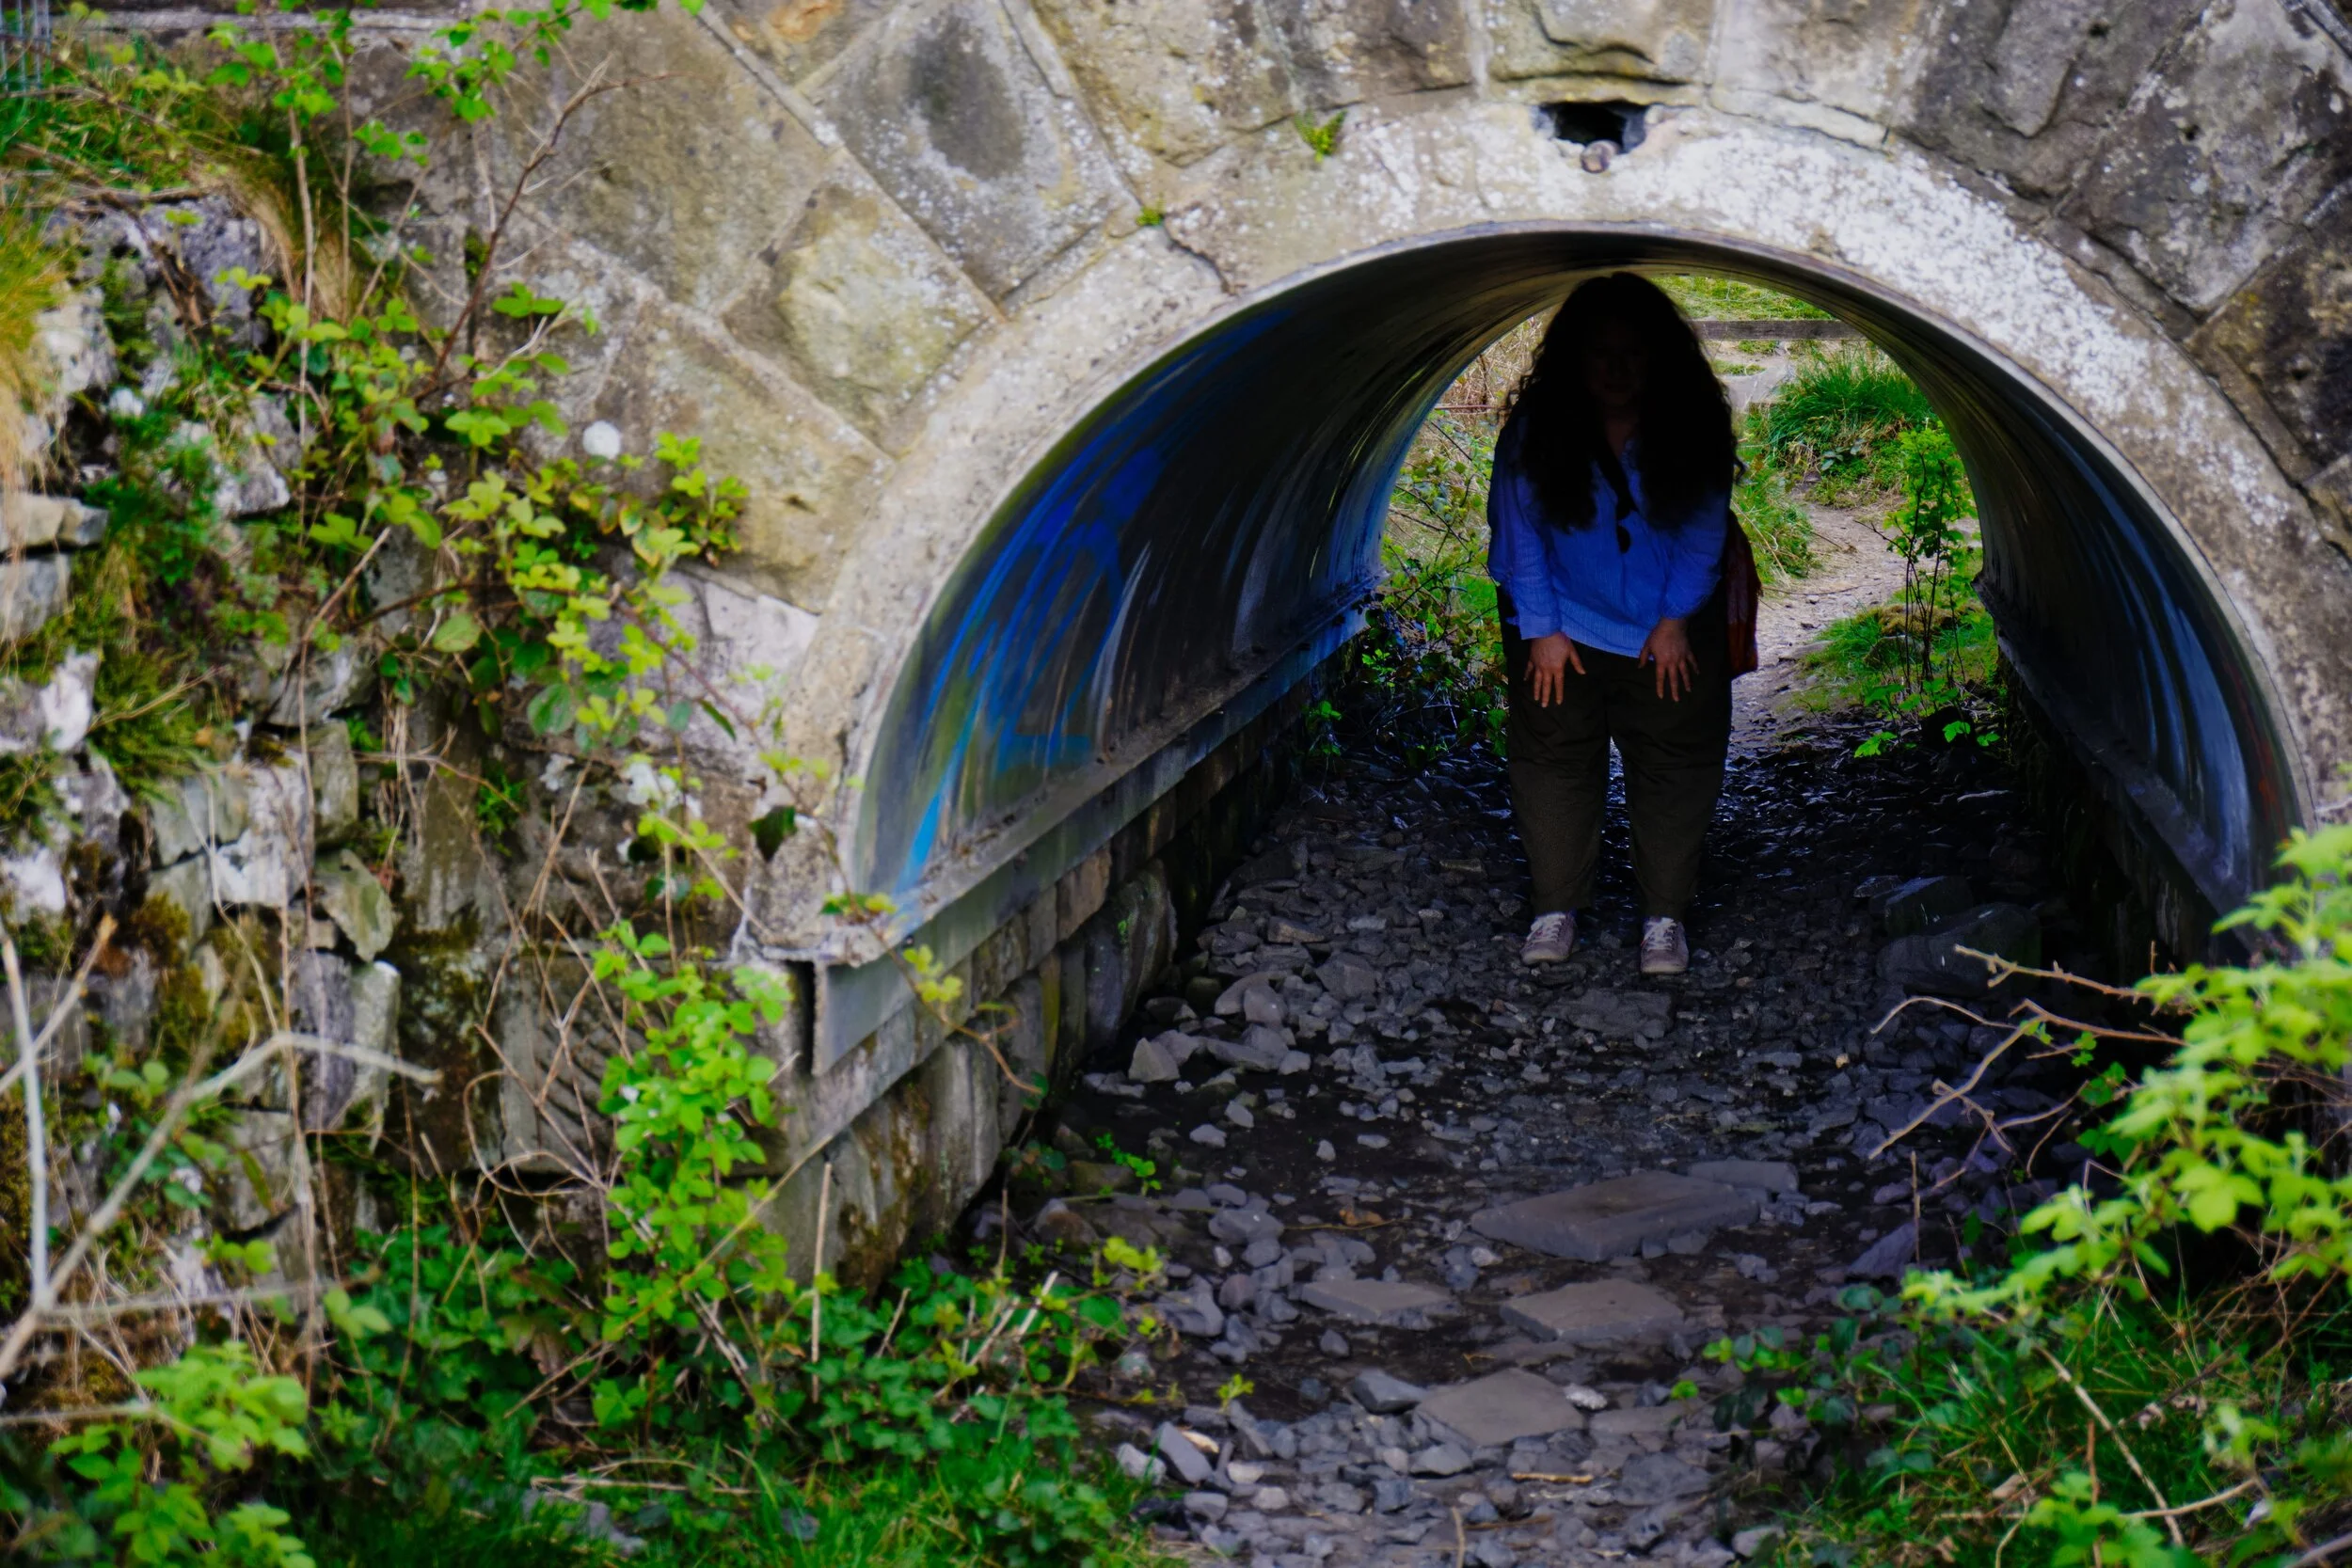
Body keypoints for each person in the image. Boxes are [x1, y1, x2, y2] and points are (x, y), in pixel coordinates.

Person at [1486, 272, 1738, 977]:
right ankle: (1556, 905)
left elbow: (1702, 531)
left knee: (1674, 759)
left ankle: (1664, 917)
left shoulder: (1690, 429)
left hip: (1668, 624)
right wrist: (1542, 630)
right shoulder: (1537, 434)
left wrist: (1674, 621)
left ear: (1661, 358)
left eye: (1634, 352)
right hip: (1560, 620)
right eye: (1602, 352)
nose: (1619, 369)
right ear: (1575, 359)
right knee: (1555, 757)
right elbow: (1519, 530)